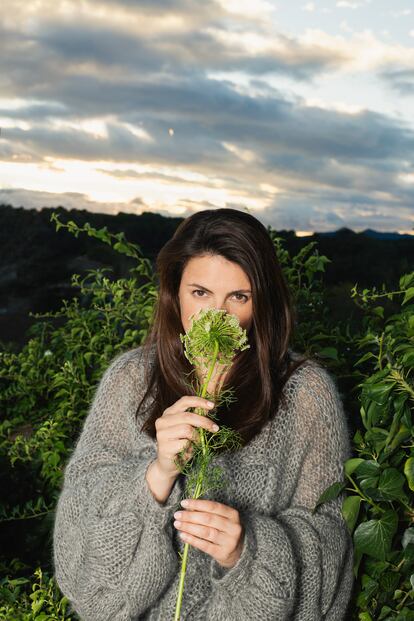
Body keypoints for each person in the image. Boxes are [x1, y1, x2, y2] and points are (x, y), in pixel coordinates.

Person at [52, 208, 355, 620]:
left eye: (239, 297)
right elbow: (86, 575)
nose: (218, 316)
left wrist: (249, 548)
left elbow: (330, 549)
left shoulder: (305, 395)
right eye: (200, 293)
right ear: (174, 294)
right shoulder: (131, 381)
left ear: (262, 302)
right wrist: (156, 476)